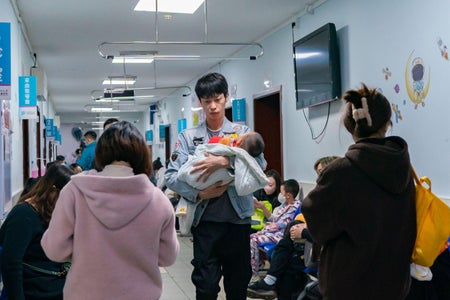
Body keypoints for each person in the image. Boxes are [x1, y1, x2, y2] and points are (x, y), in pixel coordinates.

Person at [302, 84, 416, 299]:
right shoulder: (403, 169)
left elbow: (317, 223)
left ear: (349, 126)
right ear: (387, 124)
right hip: (394, 282)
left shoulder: (340, 172)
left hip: (348, 282)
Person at [41, 121, 179, 300]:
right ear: (141, 153)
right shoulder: (158, 200)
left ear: (100, 152)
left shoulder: (74, 191)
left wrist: (84, 251)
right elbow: (168, 257)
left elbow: (54, 249)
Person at [165, 72, 267, 300]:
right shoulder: (189, 137)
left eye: (217, 99)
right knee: (206, 286)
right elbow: (171, 176)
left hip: (238, 221)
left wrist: (226, 160)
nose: (212, 106)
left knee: (238, 284)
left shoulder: (242, 133)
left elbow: (260, 165)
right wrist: (199, 192)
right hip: (205, 222)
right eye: (207, 101)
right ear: (199, 103)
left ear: (226, 98)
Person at [248, 156, 340, 300]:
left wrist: (303, 230)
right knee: (285, 246)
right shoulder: (324, 196)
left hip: (325, 250)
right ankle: (271, 281)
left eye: (322, 172)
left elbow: (330, 231)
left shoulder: (339, 200)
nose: (318, 178)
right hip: (310, 241)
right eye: (318, 173)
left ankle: (270, 281)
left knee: (284, 259)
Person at [0, 164, 74, 300]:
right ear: (52, 191)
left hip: (56, 287)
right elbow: (11, 264)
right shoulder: (24, 215)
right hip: (35, 291)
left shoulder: (51, 213)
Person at [249, 179, 301, 283]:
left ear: (288, 195)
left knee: (252, 240)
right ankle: (255, 265)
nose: (279, 195)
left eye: (281, 192)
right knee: (250, 236)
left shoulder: (294, 207)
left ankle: (254, 274)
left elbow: (280, 225)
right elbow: (274, 219)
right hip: (273, 232)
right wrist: (262, 208)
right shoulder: (283, 206)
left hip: (281, 235)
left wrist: (263, 231)